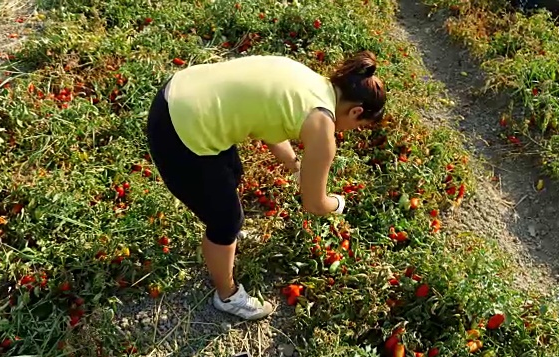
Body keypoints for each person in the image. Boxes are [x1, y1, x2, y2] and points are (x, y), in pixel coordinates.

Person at [146, 50, 387, 321]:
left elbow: (272, 125)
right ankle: (226, 295)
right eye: (359, 125)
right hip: (180, 131)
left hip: (178, 93)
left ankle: (227, 242)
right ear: (356, 111)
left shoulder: (309, 81)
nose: (347, 131)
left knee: (232, 173)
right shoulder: (322, 126)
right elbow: (314, 204)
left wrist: (295, 166)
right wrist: (338, 203)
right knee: (225, 221)